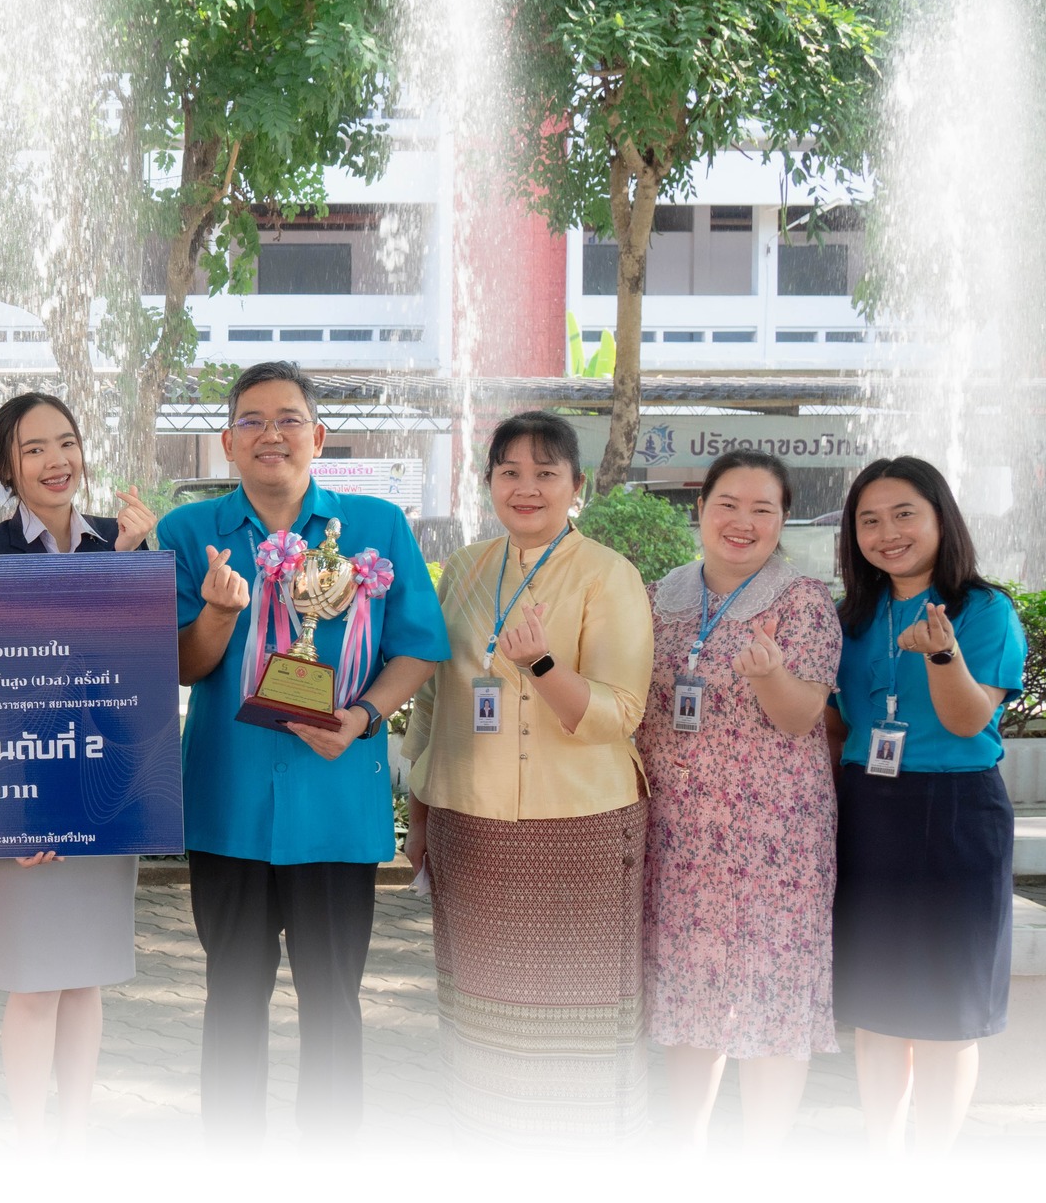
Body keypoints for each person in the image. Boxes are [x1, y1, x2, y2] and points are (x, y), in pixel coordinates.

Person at [157, 361, 448, 1148]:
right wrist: (219, 614)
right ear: (226, 442)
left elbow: (420, 647)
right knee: (233, 1000)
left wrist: (361, 716)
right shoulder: (189, 535)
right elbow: (182, 664)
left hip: (335, 804)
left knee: (332, 1005)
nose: (270, 434)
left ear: (318, 436)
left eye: (288, 419)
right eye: (250, 420)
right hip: (230, 804)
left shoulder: (375, 526)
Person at [403, 411, 654, 1147]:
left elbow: (623, 710)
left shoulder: (609, 574)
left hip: (578, 828)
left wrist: (543, 667)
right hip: (470, 830)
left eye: (546, 472)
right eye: (509, 471)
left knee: (575, 1020)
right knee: (482, 1019)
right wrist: (418, 817)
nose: (526, 487)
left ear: (576, 486)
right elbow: (433, 699)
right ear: (488, 484)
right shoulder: (469, 571)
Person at [0, 391, 159, 1149]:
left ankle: (75, 1132)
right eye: (34, 447)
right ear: (8, 464)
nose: (54, 460)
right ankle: (31, 1139)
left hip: (103, 791)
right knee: (34, 980)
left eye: (65, 442)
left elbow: (135, 668)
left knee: (85, 975)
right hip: (21, 803)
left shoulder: (120, 539)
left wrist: (130, 561)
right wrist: (11, 809)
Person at [634, 451, 842, 1153]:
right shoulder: (660, 595)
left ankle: (763, 1159)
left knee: (771, 989)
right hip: (680, 835)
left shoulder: (803, 600)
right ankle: (685, 1148)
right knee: (691, 990)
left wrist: (771, 674)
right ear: (701, 508)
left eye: (763, 508)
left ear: (783, 519)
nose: (743, 521)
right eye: (728, 503)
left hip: (772, 840)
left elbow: (798, 716)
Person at [827, 456, 1023, 1155]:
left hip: (957, 812)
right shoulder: (851, 613)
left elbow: (970, 719)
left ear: (941, 516)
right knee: (878, 1004)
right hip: (870, 812)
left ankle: (932, 1165)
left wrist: (944, 657)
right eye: (869, 520)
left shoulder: (984, 609)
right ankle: (883, 1155)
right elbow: (835, 721)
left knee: (946, 1007)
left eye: (904, 513)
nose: (887, 532)